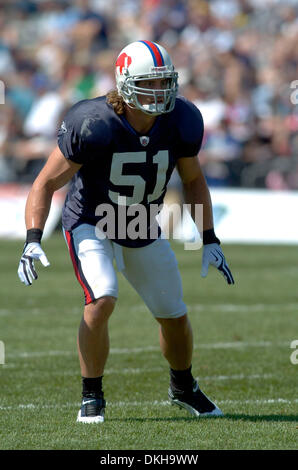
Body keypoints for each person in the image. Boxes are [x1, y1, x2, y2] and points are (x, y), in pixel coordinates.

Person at [18, 40, 234, 424]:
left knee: (173, 314)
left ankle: (183, 388)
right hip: (92, 220)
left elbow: (193, 179)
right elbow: (45, 183)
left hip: (140, 224)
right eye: (149, 83)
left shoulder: (181, 119)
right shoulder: (94, 123)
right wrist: (33, 238)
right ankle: (91, 395)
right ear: (125, 83)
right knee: (102, 298)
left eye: (164, 82)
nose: (159, 92)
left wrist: (209, 237)